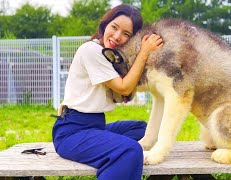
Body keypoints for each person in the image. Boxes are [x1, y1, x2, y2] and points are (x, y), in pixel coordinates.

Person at [52, 4, 163, 180]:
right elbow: (124, 87)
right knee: (130, 149)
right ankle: (118, 160)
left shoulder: (111, 56)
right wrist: (145, 52)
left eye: (126, 34)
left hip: (95, 126)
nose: (117, 36)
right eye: (114, 27)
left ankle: (114, 159)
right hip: (72, 131)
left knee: (142, 129)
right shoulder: (92, 50)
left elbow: (123, 92)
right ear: (105, 25)